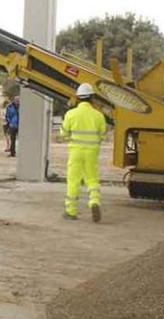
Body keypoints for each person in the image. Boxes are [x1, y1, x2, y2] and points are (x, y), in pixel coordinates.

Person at [59, 83, 107, 223]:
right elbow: (103, 135)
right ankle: (94, 201)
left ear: (78, 98)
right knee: (92, 178)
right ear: (92, 98)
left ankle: (71, 211)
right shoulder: (98, 115)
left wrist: (70, 137)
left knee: (73, 181)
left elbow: (63, 133)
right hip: (92, 152)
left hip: (76, 151)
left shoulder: (71, 114)